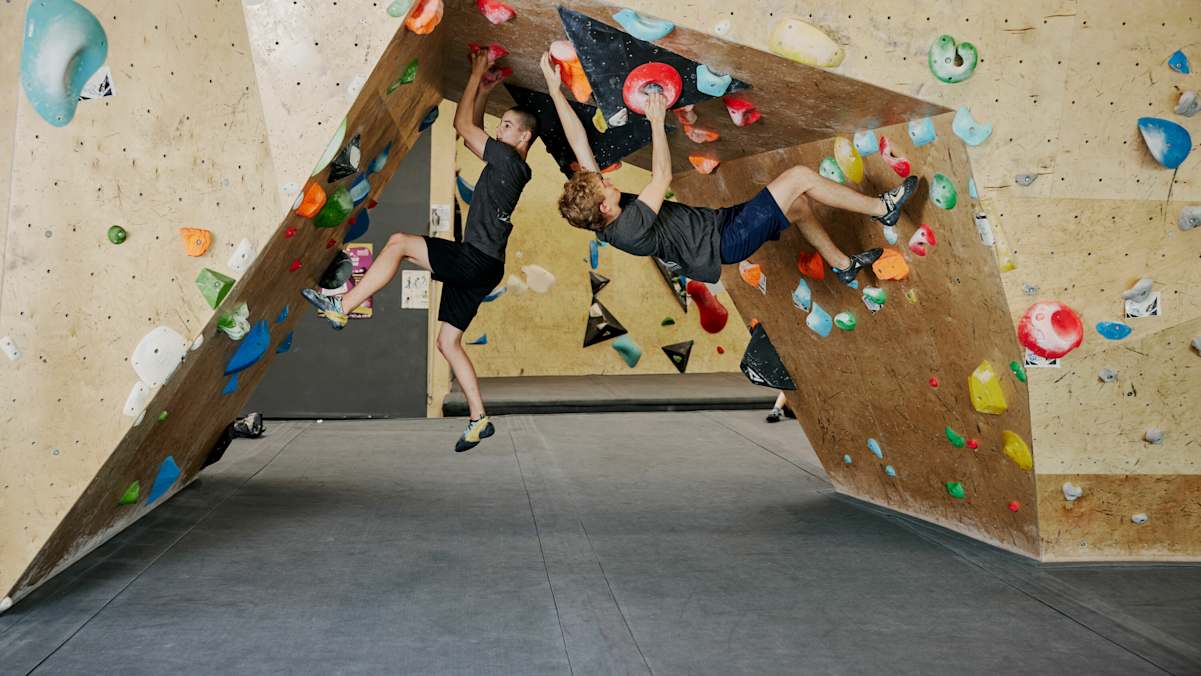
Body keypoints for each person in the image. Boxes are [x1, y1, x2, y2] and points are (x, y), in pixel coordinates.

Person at [301, 49, 537, 453]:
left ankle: (344, 306)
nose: (500, 132)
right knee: (447, 343)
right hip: (484, 265)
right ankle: (479, 419)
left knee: (398, 243)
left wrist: (478, 69)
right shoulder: (511, 166)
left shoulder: (509, 162)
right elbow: (474, 126)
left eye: (508, 126)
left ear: (524, 138)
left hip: (475, 259)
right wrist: (482, 91)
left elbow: (463, 125)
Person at [538, 53, 918, 286]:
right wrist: (656, 121)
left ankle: (842, 265)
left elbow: (580, 146)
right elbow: (661, 178)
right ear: (605, 209)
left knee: (799, 207)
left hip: (717, 226)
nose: (607, 178)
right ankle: (883, 209)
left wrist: (556, 91)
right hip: (725, 241)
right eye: (604, 185)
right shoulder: (629, 227)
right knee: (798, 178)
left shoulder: (600, 215)